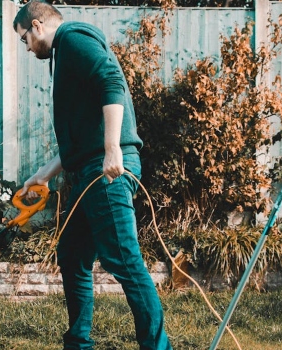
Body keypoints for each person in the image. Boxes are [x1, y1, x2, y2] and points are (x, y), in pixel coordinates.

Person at [13, 1, 172, 349]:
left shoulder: (73, 38)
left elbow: (111, 81)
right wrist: (44, 174)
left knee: (124, 261)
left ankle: (157, 347)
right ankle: (78, 342)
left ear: (37, 25)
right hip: (89, 169)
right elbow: (81, 139)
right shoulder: (63, 54)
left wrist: (113, 148)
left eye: (24, 38)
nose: (26, 48)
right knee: (72, 254)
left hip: (107, 169)